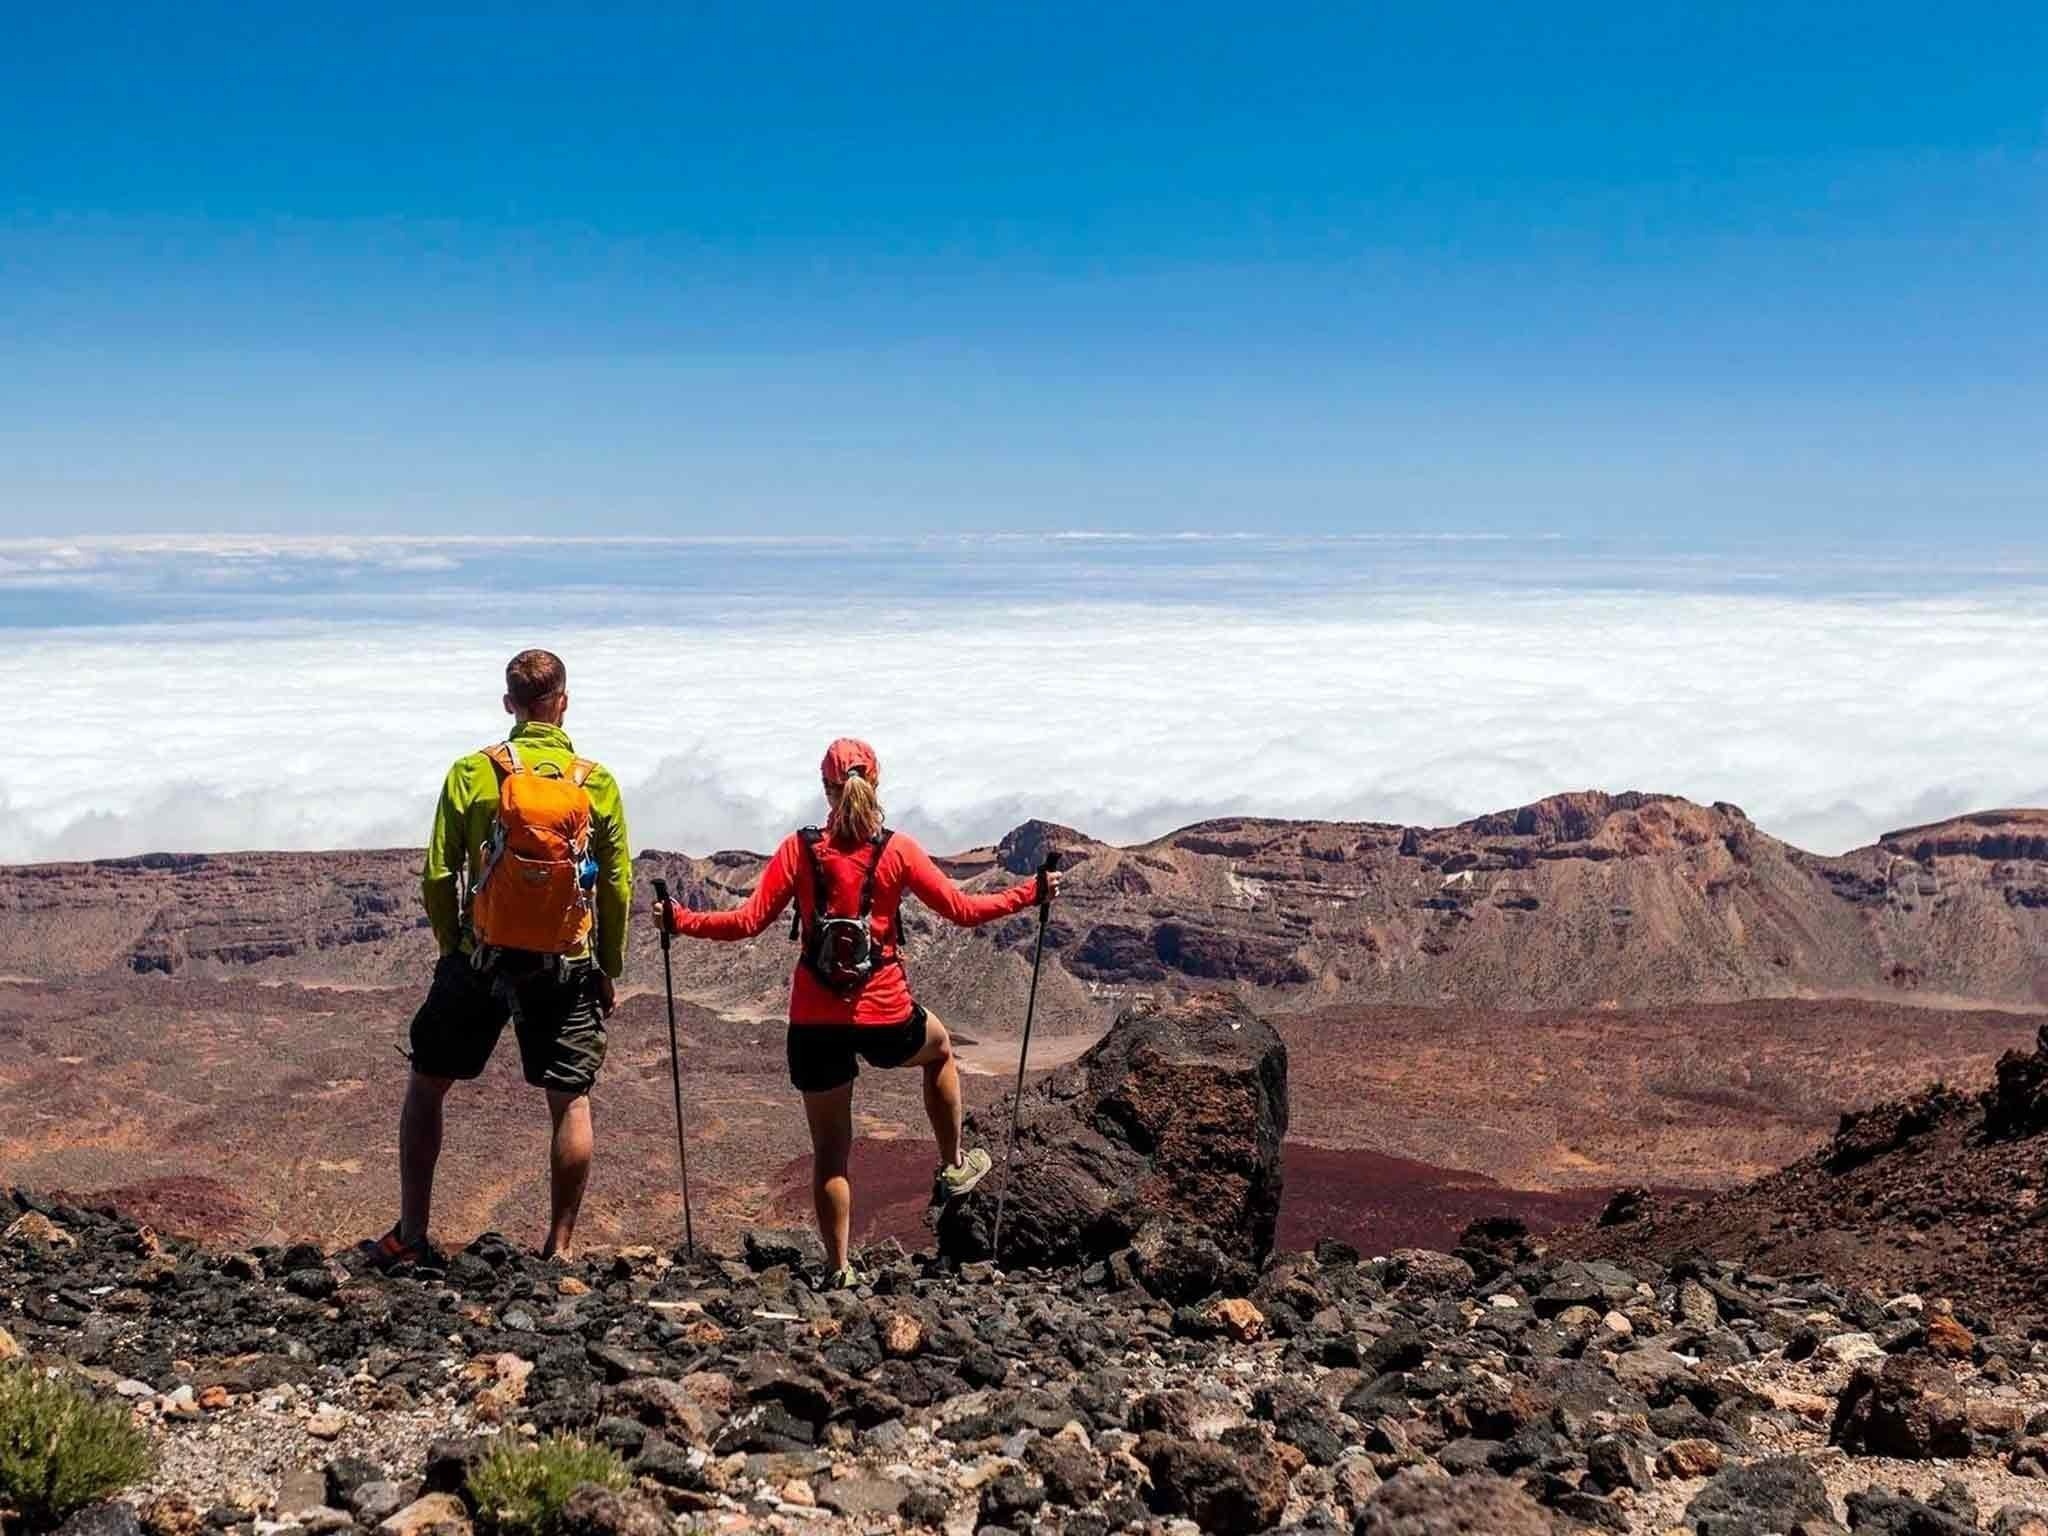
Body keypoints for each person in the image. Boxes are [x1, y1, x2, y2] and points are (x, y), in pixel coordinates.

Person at [654, 738, 1058, 1289]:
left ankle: (838, 1268)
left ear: (825, 788)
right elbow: (963, 911)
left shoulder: (799, 850)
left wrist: (679, 919)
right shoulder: (896, 851)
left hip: (814, 1022)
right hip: (884, 1013)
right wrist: (1030, 893)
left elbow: (746, 922)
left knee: (830, 1151)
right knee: (938, 1050)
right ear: (877, 783)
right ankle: (953, 1165)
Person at [357, 649, 632, 1268]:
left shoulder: (471, 773)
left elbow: (437, 875)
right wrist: (607, 966)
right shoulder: (597, 782)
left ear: (509, 704)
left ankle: (412, 1235)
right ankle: (558, 1252)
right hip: (564, 966)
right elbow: (616, 885)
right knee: (570, 1098)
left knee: (428, 1083)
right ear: (563, 700)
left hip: (478, 959)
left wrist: (454, 946)